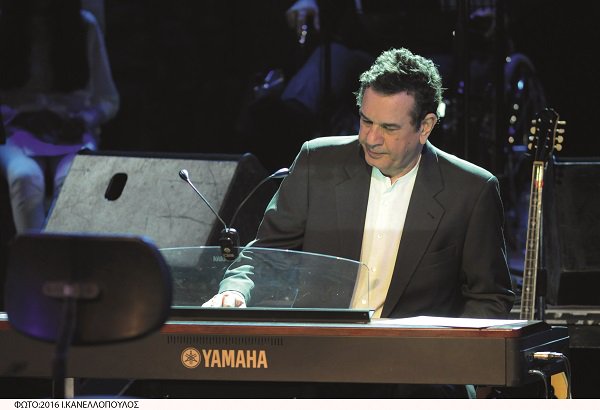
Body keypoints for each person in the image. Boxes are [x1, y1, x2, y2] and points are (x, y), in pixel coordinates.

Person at [205, 47, 515, 397]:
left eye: (389, 128)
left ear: (425, 126)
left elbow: (489, 296)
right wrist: (234, 290)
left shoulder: (471, 190)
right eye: (366, 121)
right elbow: (267, 254)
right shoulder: (317, 162)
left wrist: (449, 356)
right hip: (318, 363)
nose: (371, 138)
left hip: (418, 373)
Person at [0, 0, 119, 233]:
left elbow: (107, 98)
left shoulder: (84, 26)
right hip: (16, 132)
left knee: (73, 179)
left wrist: (85, 119)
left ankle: (63, 251)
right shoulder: (5, 26)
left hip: (70, 131)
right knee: (25, 177)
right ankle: (35, 252)